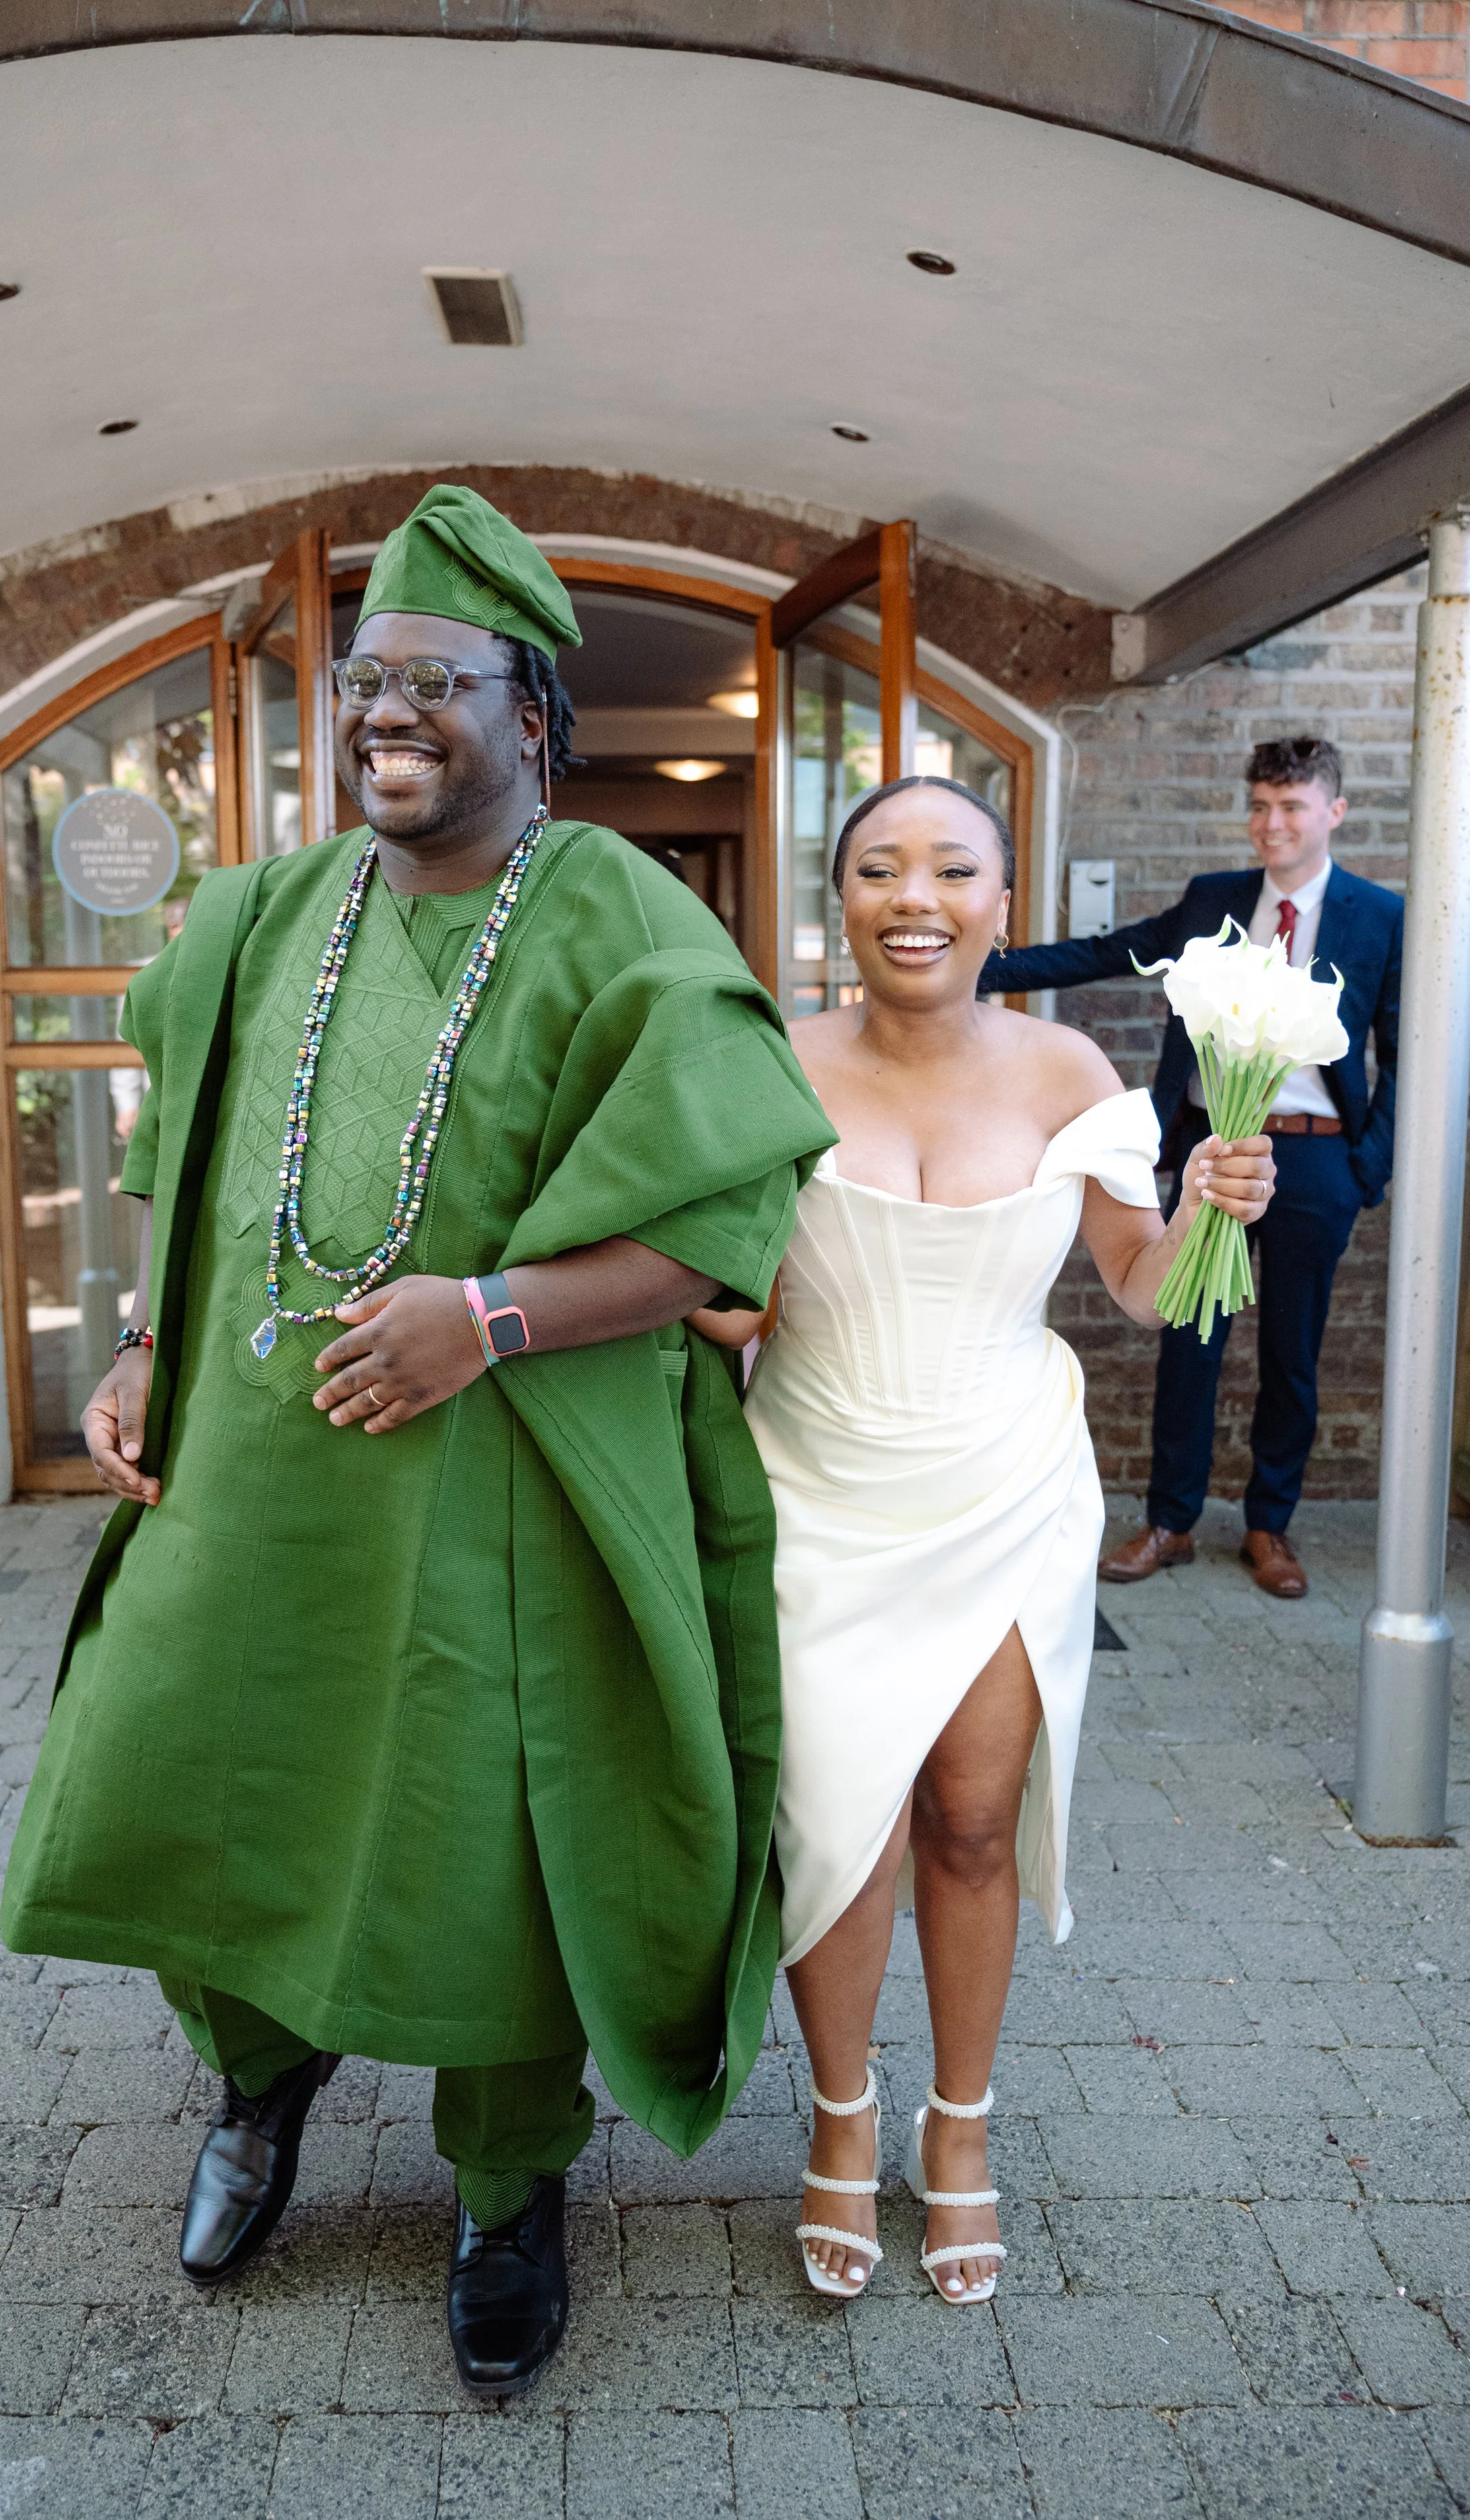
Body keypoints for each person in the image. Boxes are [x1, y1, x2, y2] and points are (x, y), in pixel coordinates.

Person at [0, 485, 833, 2397]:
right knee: (215, 1771)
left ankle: (508, 2187)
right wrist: (139, 1344)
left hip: (498, 1491)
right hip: (254, 1481)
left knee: (487, 1838)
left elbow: (725, 1226)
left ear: (528, 715)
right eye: (364, 680)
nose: (385, 711)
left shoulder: (622, 914)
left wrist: (491, 1317)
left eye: (434, 682)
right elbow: (183, 1162)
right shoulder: (261, 913)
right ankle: (257, 2090)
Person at [693, 775, 1273, 2303]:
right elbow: (737, 1307)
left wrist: (1215, 1208)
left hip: (1008, 1489)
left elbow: (1141, 1284)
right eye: (880, 869)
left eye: (952, 869)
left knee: (968, 1819)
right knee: (842, 1828)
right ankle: (839, 2115)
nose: (916, 898)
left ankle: (958, 2127)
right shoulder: (770, 1063)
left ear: (1001, 903)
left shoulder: (1066, 1066)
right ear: (840, 901)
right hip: (818, 1490)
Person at [979, 735, 1403, 1598]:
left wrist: (1368, 1166)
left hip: (1317, 1155)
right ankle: (1169, 1521)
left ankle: (1268, 1525)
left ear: (1333, 812)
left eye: (1290, 806)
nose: (1270, 823)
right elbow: (1109, 951)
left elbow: (1404, 1050)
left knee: (1291, 1351)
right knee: (1188, 1336)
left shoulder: (1379, 915)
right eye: (1259, 806)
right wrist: (975, 966)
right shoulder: (1214, 899)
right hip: (1213, 1150)